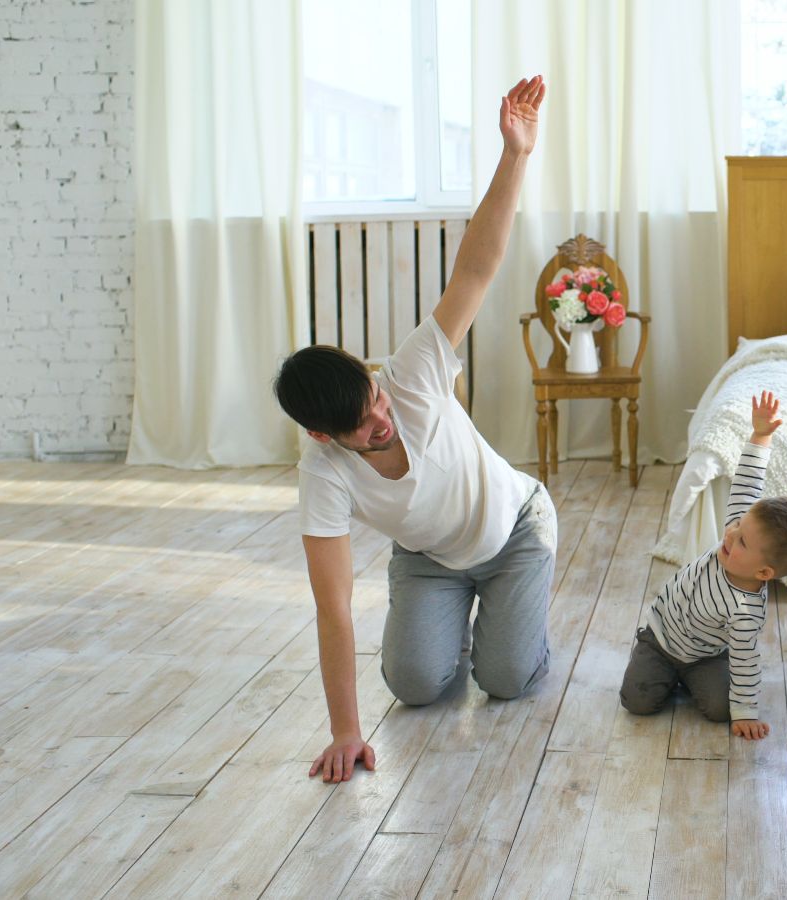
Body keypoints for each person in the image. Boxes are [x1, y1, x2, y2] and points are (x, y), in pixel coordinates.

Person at [272, 76, 549, 784]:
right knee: (418, 687)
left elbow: (477, 268)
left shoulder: (413, 371)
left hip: (515, 530)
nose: (380, 418)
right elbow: (333, 610)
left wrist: (514, 156)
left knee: (510, 679)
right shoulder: (324, 475)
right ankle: (449, 624)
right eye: (362, 427)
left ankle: (511, 624)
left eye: (375, 400)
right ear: (323, 437)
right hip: (430, 557)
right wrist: (345, 732)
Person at [619, 391, 787, 740]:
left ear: (763, 573)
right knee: (636, 702)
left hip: (704, 654)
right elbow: (748, 481)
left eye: (742, 541)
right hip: (660, 636)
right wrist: (761, 435)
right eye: (738, 525)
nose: (730, 535)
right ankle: (660, 668)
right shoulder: (738, 530)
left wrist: (745, 713)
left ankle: (692, 676)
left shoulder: (745, 612)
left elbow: (747, 662)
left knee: (721, 711)